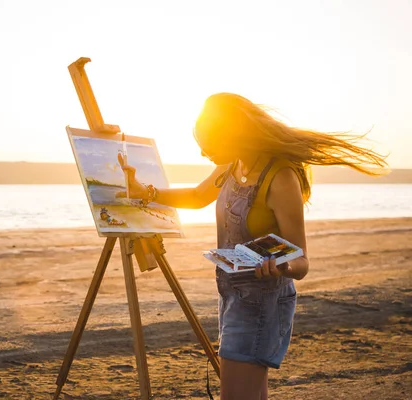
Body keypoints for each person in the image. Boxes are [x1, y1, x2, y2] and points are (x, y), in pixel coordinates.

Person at [117, 92, 388, 400]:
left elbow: (301, 261)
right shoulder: (232, 165)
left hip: (262, 305)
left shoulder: (281, 178)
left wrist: (281, 266)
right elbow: (196, 196)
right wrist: (146, 192)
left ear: (234, 136)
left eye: (209, 144)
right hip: (232, 297)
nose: (203, 152)